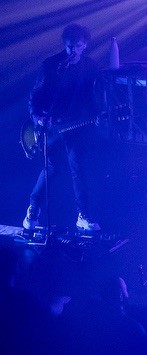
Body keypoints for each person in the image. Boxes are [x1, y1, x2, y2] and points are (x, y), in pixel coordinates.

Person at [23, 23, 103, 233]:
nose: (72, 50)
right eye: (69, 46)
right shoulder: (51, 66)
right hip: (51, 127)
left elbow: (91, 98)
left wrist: (97, 115)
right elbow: (35, 96)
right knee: (51, 169)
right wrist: (39, 118)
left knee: (79, 170)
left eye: (77, 46)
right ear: (64, 45)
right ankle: (33, 211)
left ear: (84, 45)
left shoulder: (90, 67)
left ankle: (83, 216)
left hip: (75, 127)